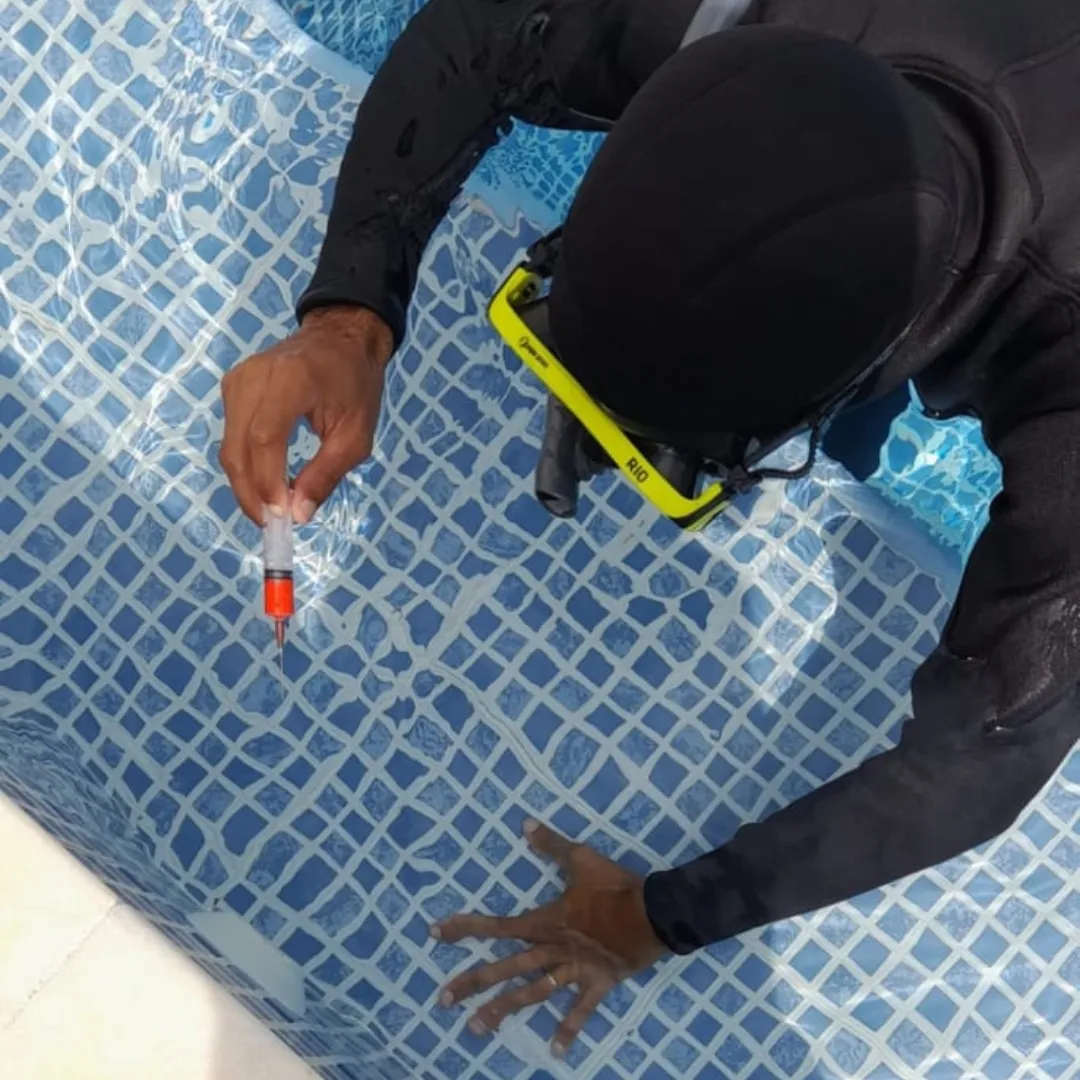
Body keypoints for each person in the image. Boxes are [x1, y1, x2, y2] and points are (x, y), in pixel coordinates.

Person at [219, 0, 1080, 1058]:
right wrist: (348, 318)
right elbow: (488, 32)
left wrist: (655, 919)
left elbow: (985, 754)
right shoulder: (747, 34)